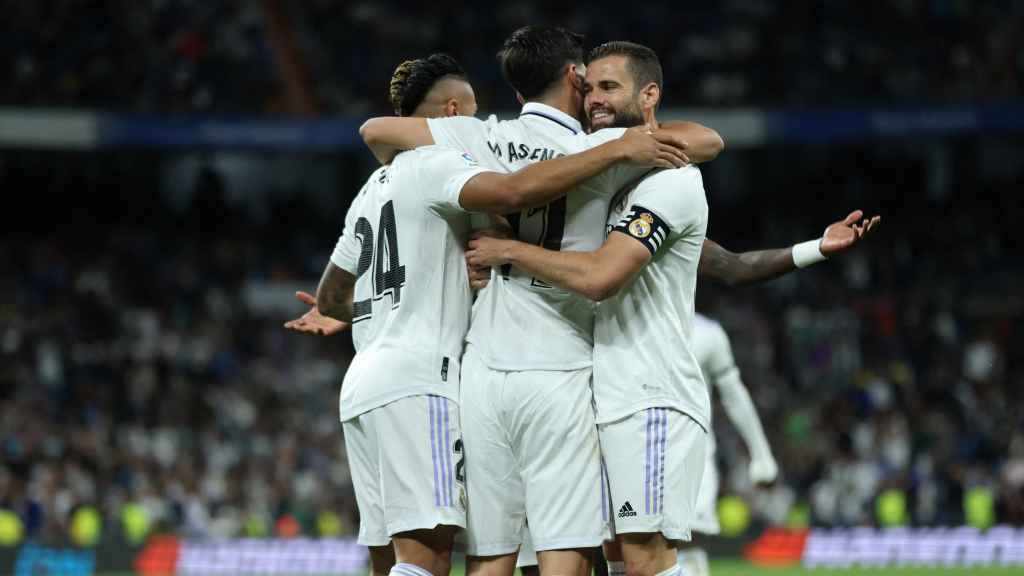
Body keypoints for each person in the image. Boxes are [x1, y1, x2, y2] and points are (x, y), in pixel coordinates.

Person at [465, 41, 880, 576]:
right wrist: (813, 248)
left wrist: (509, 251)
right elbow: (729, 264)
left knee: (646, 562)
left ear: (650, 94)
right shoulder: (612, 182)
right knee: (615, 559)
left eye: (610, 88)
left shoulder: (671, 181)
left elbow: (598, 276)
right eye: (589, 89)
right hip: (605, 393)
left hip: (650, 394)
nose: (594, 100)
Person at [288, 53, 690, 576]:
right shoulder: (442, 166)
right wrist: (620, 147)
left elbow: (332, 293)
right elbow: (514, 191)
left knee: (388, 559)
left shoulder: (372, 187)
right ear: (452, 113)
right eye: (474, 114)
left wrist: (363, 309)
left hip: (364, 380)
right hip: (423, 378)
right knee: (426, 559)